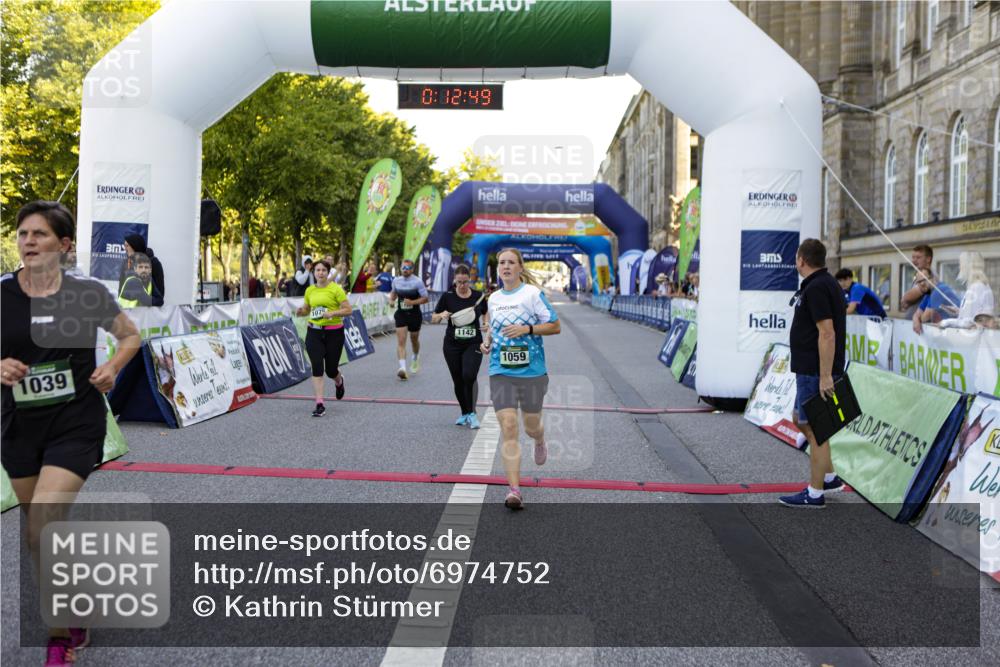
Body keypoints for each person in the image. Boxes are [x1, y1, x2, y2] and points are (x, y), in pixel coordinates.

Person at [2, 201, 141, 665]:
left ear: (63, 245)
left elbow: (130, 336)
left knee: (42, 525)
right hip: (17, 426)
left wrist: (113, 367)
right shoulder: (2, 294)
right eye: (23, 233)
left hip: (75, 422)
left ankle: (59, 639)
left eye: (39, 234)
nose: (28, 242)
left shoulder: (86, 293)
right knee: (42, 533)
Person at [480, 248, 561, 510]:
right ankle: (514, 490)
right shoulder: (493, 298)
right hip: (500, 371)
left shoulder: (532, 294)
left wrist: (526, 329)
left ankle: (539, 439)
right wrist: (487, 342)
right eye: (502, 262)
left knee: (531, 425)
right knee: (509, 425)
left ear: (520, 267)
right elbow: (492, 328)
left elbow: (555, 325)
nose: (505, 266)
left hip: (532, 372)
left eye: (511, 262)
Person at [779, 239, 846, 509]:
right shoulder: (820, 283)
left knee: (818, 432)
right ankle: (828, 477)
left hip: (815, 371)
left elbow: (827, 333)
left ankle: (815, 494)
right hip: (808, 369)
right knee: (800, 419)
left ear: (801, 260)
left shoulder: (818, 287)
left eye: (796, 258)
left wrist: (825, 376)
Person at [432, 265, 488, 428]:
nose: (462, 285)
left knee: (469, 375)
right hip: (452, 345)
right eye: (459, 282)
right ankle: (464, 413)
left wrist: (486, 323)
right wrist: (441, 315)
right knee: (457, 379)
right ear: (454, 281)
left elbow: (485, 311)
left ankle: (473, 413)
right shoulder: (447, 297)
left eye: (465, 282)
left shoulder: (478, 296)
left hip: (473, 342)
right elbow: (433, 318)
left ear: (470, 280)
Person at [295, 260, 352, 417]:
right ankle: (319, 403)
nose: (320, 273)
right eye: (317, 270)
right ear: (314, 273)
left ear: (328, 272)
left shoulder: (336, 289)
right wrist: (301, 311)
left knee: (331, 370)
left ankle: (339, 381)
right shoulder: (310, 290)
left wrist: (332, 313)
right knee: (317, 367)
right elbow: (307, 309)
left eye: (323, 270)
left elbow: (348, 310)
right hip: (314, 332)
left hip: (334, 333)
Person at [389, 259, 429, 380]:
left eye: (408, 268)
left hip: (414, 314)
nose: (405, 270)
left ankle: (415, 356)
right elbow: (393, 294)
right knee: (401, 341)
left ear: (412, 269)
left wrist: (412, 302)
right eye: (403, 268)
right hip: (401, 314)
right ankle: (402, 368)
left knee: (414, 339)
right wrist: (391, 301)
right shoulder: (396, 281)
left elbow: (425, 298)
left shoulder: (417, 281)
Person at [939, 251, 996, 329]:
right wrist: (960, 311)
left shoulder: (976, 287)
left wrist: (945, 322)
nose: (959, 267)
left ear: (967, 266)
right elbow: (976, 314)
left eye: (961, 264)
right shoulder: (983, 285)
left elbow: (968, 323)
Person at [117, 233, 164, 306]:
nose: (125, 248)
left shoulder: (154, 263)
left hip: (148, 310)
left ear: (135, 246)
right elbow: (121, 289)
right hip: (128, 310)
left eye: (127, 246)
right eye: (124, 245)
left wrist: (144, 297)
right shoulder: (126, 263)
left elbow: (160, 293)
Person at [900, 244, 935, 318]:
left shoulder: (927, 275)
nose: (914, 260)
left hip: (919, 323)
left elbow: (907, 298)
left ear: (928, 259)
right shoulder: (919, 274)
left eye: (918, 257)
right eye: (913, 257)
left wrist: (906, 300)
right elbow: (905, 303)